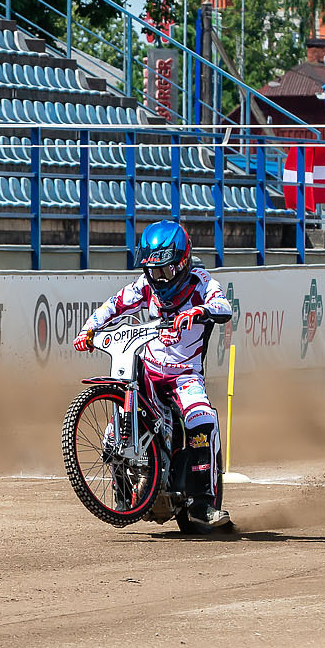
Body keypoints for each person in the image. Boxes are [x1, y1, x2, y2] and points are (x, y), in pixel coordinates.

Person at [72, 220, 239, 533]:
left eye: (164, 271)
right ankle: (122, 491)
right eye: (152, 270)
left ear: (182, 263)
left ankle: (204, 502)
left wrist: (198, 312)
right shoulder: (144, 285)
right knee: (116, 425)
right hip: (147, 370)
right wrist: (88, 330)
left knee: (200, 419)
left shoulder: (201, 281)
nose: (157, 278)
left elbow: (223, 306)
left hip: (185, 374)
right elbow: (114, 305)